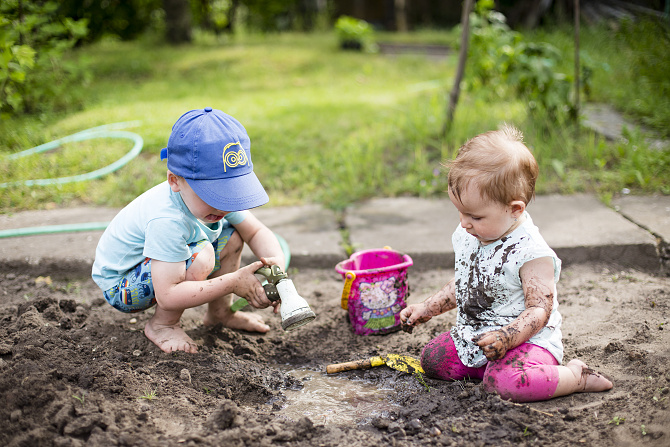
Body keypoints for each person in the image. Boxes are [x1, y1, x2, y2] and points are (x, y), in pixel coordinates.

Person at [399, 125, 613, 403]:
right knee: (433, 359)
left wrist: (507, 337)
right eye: (461, 212)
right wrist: (428, 307)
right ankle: (491, 370)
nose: (464, 223)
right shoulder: (472, 233)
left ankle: (575, 376)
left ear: (514, 209)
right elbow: (467, 284)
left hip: (526, 341)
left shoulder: (530, 253)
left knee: (507, 385)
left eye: (474, 216)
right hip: (480, 337)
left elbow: (539, 311)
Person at [92, 107, 285, 354]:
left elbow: (255, 232)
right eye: (213, 194)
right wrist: (233, 282)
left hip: (161, 267)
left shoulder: (217, 203)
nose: (223, 204)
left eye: (231, 193)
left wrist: (275, 269)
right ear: (175, 181)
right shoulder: (166, 220)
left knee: (233, 235)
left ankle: (219, 314)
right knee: (202, 255)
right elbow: (169, 295)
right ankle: (162, 324)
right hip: (123, 284)